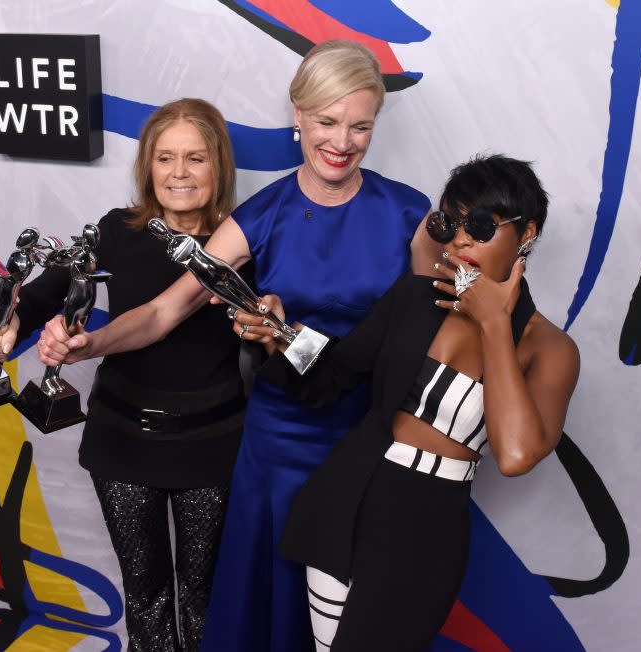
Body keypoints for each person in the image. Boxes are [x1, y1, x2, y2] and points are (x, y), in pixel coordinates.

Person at [38, 40, 434, 651]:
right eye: (327, 121)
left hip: (370, 429)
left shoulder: (410, 213)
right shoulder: (259, 216)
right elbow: (164, 312)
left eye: (361, 126)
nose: (342, 141)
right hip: (280, 440)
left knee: (359, 606)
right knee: (265, 597)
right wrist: (88, 344)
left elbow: (431, 327)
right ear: (297, 118)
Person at [254, 154, 580, 651]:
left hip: (424, 529)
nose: (461, 240)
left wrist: (495, 322)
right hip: (346, 501)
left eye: (479, 225)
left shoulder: (551, 349)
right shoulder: (414, 296)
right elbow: (335, 374)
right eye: (450, 223)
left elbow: (516, 455)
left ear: (527, 233)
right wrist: (279, 333)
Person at [0, 98, 246, 652]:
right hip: (123, 441)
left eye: (195, 158)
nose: (179, 173)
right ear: (147, 166)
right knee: (145, 596)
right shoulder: (116, 231)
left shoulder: (244, 240)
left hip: (214, 446)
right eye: (165, 158)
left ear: (220, 166)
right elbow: (46, 292)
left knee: (204, 597)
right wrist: (4, 324)